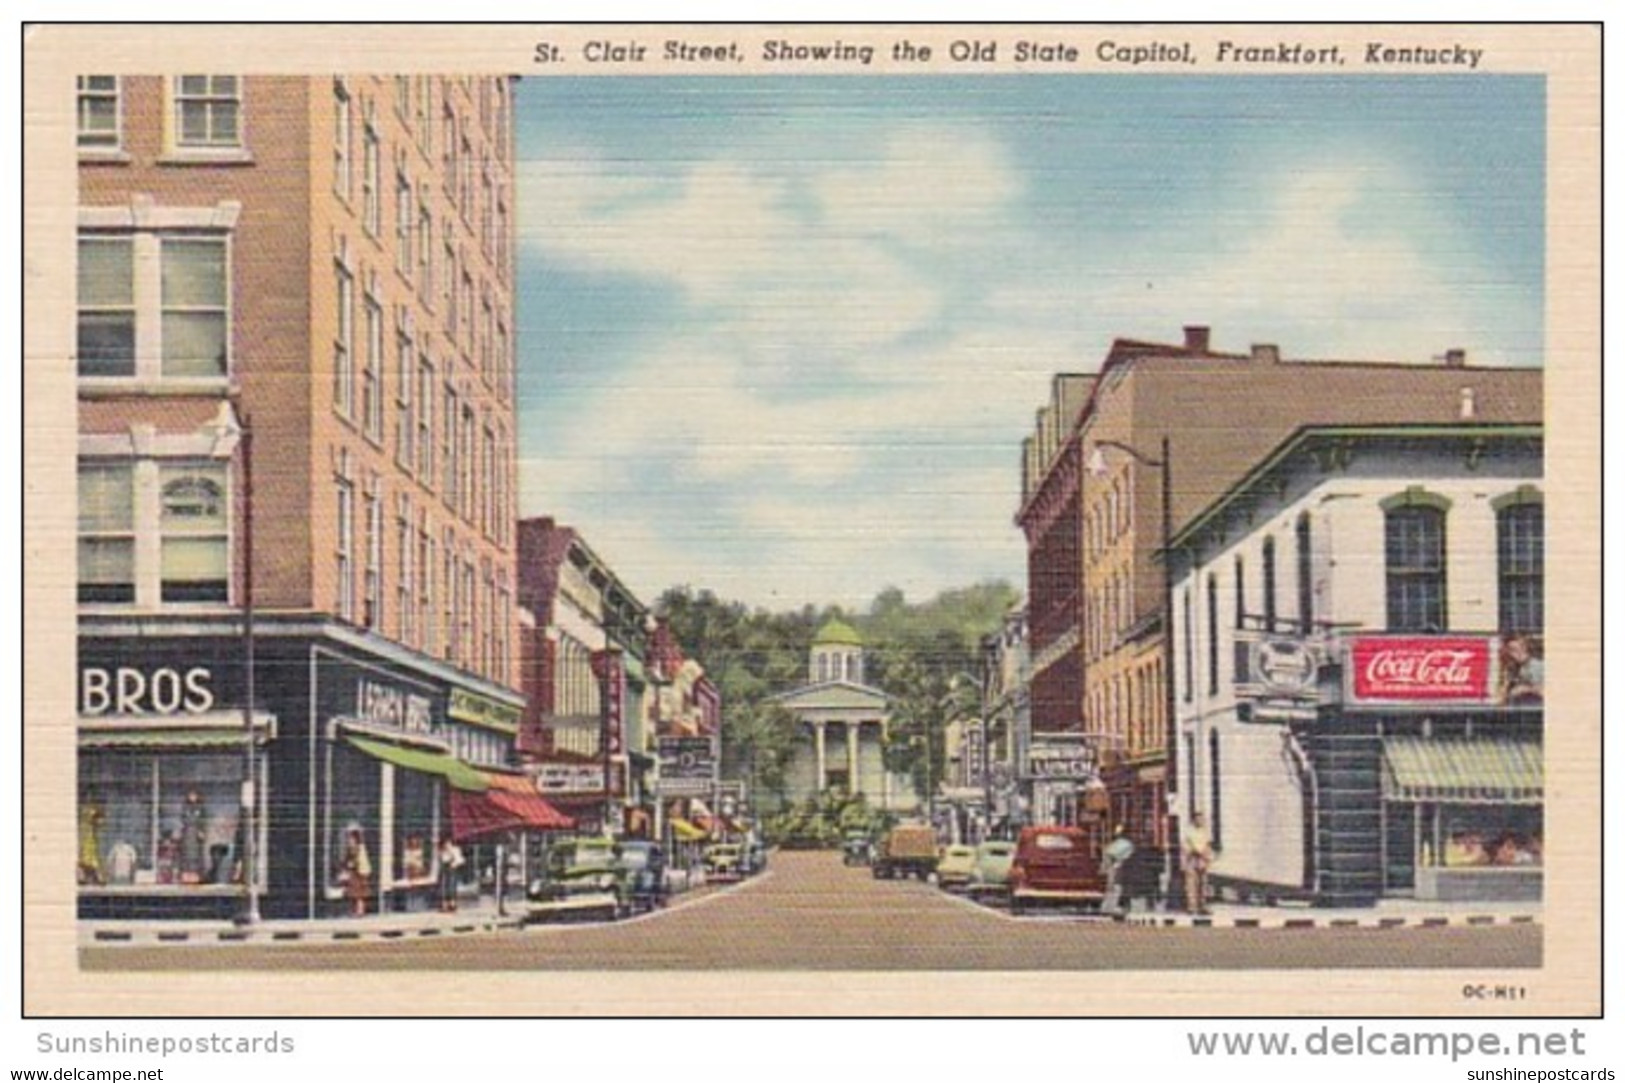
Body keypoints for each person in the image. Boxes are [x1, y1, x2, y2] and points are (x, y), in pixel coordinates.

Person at [1182, 812, 1214, 915]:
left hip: (1203, 859)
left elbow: (1208, 844)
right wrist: (1195, 851)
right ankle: (1192, 907)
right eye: (1198, 819)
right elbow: (1186, 845)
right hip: (1192, 858)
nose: (1200, 821)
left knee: (1203, 883)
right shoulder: (1188, 831)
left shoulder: (1205, 832)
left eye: (1202, 819)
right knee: (1191, 884)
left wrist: (1207, 856)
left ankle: (1203, 906)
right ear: (1194, 820)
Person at [1102, 824, 1135, 918]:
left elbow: (1108, 856)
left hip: (1117, 869)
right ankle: (1121, 908)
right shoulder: (1129, 844)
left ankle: (1110, 908)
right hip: (1125, 869)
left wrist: (1106, 868)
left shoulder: (1117, 844)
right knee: (1121, 889)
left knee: (1114, 888)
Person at [341, 826, 372, 917]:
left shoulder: (357, 848)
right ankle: (356, 911)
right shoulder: (357, 847)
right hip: (357, 873)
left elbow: (354, 860)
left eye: (351, 838)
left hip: (358, 873)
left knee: (358, 894)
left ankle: (360, 911)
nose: (349, 840)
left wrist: (350, 864)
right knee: (355, 893)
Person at [437, 835, 465, 912]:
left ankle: (452, 904)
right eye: (445, 843)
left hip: (452, 869)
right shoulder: (442, 851)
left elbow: (460, 860)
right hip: (444, 869)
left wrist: (454, 863)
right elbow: (441, 859)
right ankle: (445, 904)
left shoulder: (455, 849)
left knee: (452, 886)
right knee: (444, 887)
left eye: (448, 843)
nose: (446, 845)